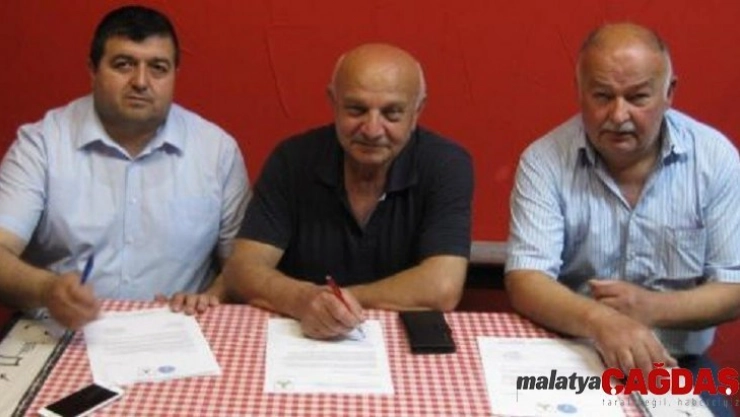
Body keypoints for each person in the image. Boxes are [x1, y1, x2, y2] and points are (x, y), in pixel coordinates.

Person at [505, 22, 740, 416]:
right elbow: (526, 279)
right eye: (602, 96)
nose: (618, 114)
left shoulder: (715, 160)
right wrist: (602, 322)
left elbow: (733, 287)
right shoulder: (544, 160)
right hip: (572, 356)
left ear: (669, 93)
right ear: (580, 91)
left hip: (678, 364)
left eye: (637, 97)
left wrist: (651, 308)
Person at [0, 6, 249, 330]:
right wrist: (47, 289)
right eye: (124, 65)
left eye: (158, 68)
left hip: (177, 331)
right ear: (93, 70)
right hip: (60, 331)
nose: (141, 82)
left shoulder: (217, 151)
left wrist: (211, 297)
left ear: (175, 74)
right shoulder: (42, 144)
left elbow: (242, 268)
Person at [224, 43, 473, 340]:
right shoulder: (292, 159)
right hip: (302, 338)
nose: (372, 130)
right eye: (356, 110)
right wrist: (302, 300)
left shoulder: (446, 165)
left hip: (401, 343)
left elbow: (443, 287)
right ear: (333, 102)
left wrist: (330, 302)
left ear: (417, 111)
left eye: (392, 114)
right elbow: (244, 269)